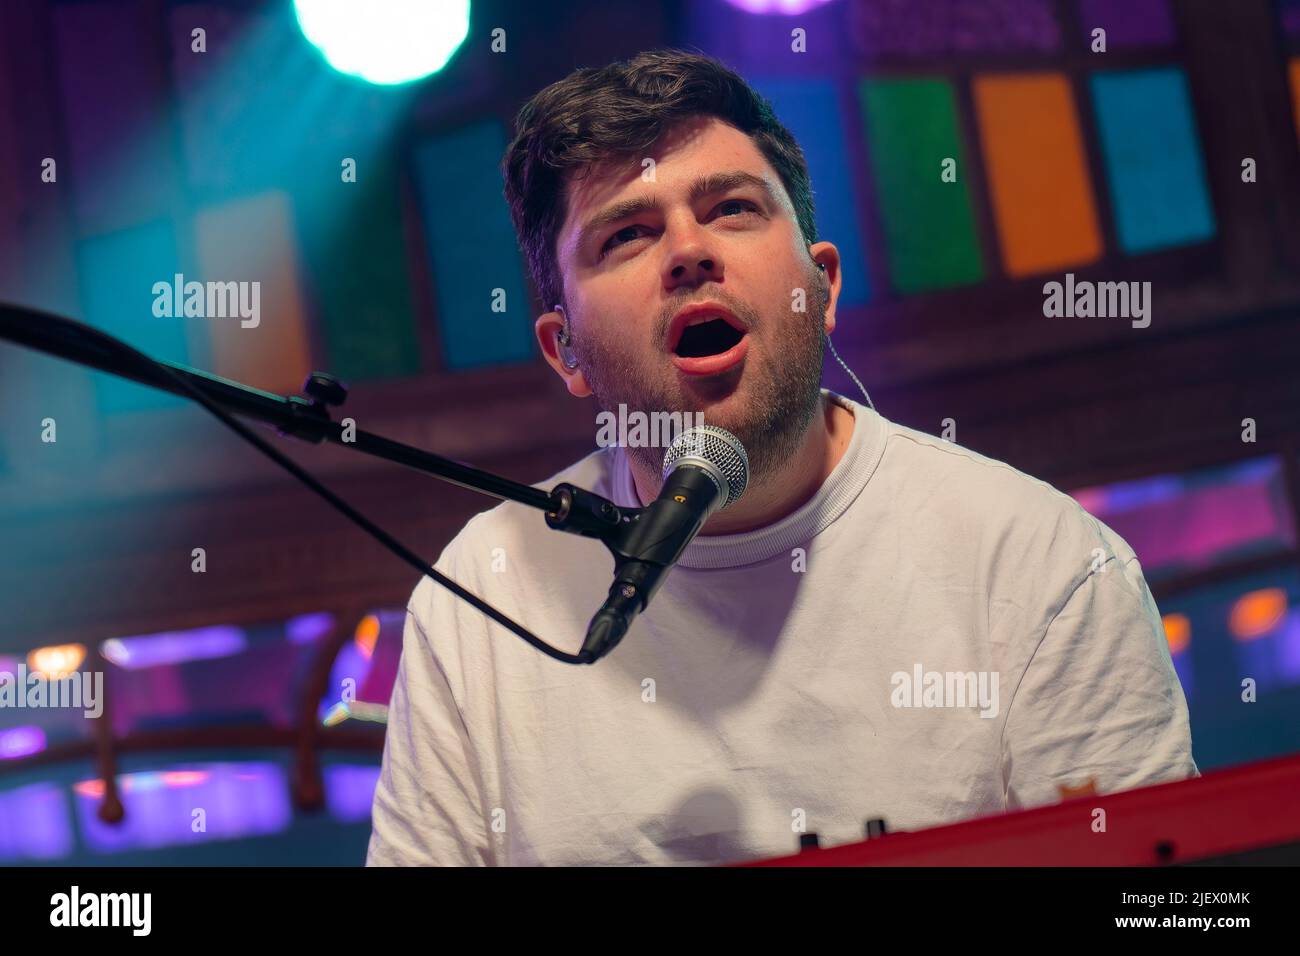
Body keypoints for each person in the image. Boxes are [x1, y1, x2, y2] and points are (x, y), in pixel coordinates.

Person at [366, 50, 1196, 866]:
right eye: (628, 234)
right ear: (566, 352)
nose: (689, 252)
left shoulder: (1041, 563)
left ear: (824, 286)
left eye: (731, 209)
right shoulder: (481, 596)